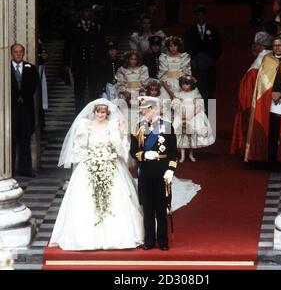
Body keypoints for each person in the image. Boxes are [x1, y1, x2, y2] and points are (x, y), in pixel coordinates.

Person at [49, 99, 144, 250]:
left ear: (107, 113)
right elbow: (79, 147)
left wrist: (120, 133)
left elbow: (119, 147)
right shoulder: (85, 125)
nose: (101, 114)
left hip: (110, 163)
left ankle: (117, 236)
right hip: (89, 163)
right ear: (94, 112)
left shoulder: (113, 125)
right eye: (98, 112)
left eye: (104, 112)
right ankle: (85, 237)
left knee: (118, 196)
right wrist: (91, 156)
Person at [130, 96, 178, 250]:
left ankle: (163, 241)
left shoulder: (168, 127)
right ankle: (149, 240)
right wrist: (143, 155)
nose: (143, 112)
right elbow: (133, 150)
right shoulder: (138, 127)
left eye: (146, 109)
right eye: (142, 110)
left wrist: (171, 169)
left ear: (154, 109)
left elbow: (173, 152)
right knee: (148, 208)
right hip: (145, 172)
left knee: (161, 208)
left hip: (162, 172)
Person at [245, 37, 281, 169]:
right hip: (268, 101)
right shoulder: (267, 59)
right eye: (275, 45)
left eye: (280, 45)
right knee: (271, 129)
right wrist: (272, 94)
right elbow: (262, 82)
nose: (277, 48)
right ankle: (269, 159)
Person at [231, 31, 272, 156]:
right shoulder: (272, 59)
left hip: (255, 103)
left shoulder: (258, 64)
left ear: (260, 46)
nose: (253, 47)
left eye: (256, 44)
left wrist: (245, 104)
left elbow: (247, 89)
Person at [63, 5, 106, 113]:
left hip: (93, 63)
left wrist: (102, 63)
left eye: (89, 11)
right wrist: (66, 63)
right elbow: (68, 46)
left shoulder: (97, 26)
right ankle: (79, 114)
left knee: (94, 90)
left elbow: (101, 46)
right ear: (82, 12)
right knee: (79, 91)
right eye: (85, 10)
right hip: (79, 64)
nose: (88, 13)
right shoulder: (74, 26)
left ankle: (95, 114)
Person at [184, 4, 222, 107]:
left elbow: (218, 48)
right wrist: (193, 61)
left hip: (209, 67)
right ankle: (199, 118)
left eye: (202, 15)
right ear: (195, 16)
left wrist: (212, 60)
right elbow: (186, 48)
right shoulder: (190, 31)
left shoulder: (213, 30)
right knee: (196, 91)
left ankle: (211, 119)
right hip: (195, 67)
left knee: (210, 91)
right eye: (198, 15)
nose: (200, 17)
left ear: (205, 16)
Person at [11, 43, 39, 178]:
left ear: (24, 53)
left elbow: (34, 86)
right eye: (15, 52)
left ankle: (25, 169)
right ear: (11, 53)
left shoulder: (31, 68)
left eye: (20, 51)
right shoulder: (5, 68)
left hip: (26, 109)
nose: (18, 54)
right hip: (11, 110)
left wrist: (24, 95)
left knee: (25, 140)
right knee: (11, 140)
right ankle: (9, 170)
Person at [172, 76, 215, 163]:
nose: (185, 86)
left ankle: (191, 154)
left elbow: (199, 105)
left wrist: (191, 115)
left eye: (187, 84)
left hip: (193, 115)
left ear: (191, 85)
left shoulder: (195, 93)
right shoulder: (178, 94)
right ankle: (182, 154)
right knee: (181, 134)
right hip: (181, 114)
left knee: (193, 133)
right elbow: (175, 104)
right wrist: (181, 114)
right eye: (183, 84)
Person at [158, 36, 192, 100]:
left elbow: (187, 75)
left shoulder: (184, 57)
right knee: (166, 106)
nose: (173, 48)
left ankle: (211, 109)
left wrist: (182, 88)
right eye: (171, 46)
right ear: (168, 47)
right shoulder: (164, 58)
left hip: (181, 84)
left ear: (178, 46)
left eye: (175, 46)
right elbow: (162, 77)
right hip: (167, 86)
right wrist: (170, 92)